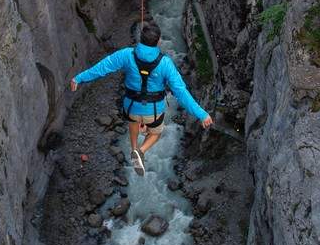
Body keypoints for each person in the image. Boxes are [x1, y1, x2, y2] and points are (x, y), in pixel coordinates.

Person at [70, 22, 213, 174]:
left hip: (131, 107)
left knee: (134, 123)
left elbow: (103, 67)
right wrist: (201, 114)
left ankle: (133, 149)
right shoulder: (165, 63)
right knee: (156, 133)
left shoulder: (126, 54)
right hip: (153, 111)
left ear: (140, 39)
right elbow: (181, 92)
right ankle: (141, 151)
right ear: (158, 42)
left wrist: (79, 78)